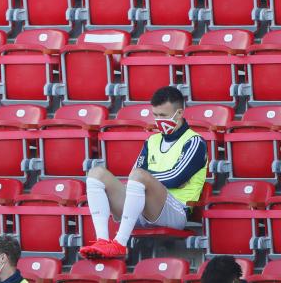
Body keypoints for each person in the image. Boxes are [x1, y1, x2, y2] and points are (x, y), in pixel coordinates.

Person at [80, 85, 207, 259]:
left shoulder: (194, 141)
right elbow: (139, 176)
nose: (158, 120)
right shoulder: (152, 141)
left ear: (179, 114)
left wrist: (149, 177)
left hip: (177, 211)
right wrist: (155, 177)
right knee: (96, 173)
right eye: (155, 115)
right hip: (142, 207)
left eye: (163, 115)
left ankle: (119, 244)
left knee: (140, 176)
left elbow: (176, 178)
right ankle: (102, 240)